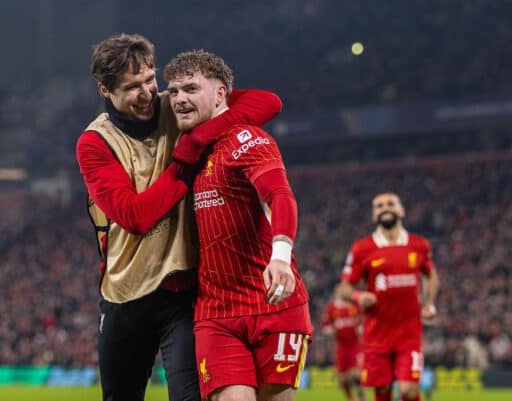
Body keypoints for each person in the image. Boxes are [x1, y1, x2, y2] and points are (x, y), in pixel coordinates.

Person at [76, 33, 283, 401]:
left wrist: (200, 134)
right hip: (126, 294)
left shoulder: (178, 105)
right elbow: (134, 216)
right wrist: (185, 158)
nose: (145, 94)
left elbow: (268, 102)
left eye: (149, 80)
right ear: (105, 90)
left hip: (184, 293)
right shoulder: (94, 143)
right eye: (131, 87)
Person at [165, 50, 313, 401]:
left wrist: (280, 255)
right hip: (216, 313)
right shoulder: (186, 153)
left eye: (190, 88)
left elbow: (280, 195)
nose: (180, 99)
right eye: (173, 92)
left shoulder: (248, 139)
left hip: (274, 304)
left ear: (220, 95)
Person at [337, 192, 440, 401]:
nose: (385, 208)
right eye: (379, 205)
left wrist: (429, 304)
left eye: (390, 204)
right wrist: (359, 296)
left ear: (401, 210)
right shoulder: (361, 249)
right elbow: (344, 288)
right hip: (376, 336)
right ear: (374, 214)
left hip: (409, 334)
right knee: (382, 393)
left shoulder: (419, 245)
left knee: (408, 390)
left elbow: (431, 276)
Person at [321, 291, 365, 401]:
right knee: (342, 379)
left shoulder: (355, 307)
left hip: (355, 345)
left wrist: (361, 327)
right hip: (341, 347)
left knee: (356, 374)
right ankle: (350, 398)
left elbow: (363, 320)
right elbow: (326, 325)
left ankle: (361, 394)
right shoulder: (332, 308)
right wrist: (329, 330)